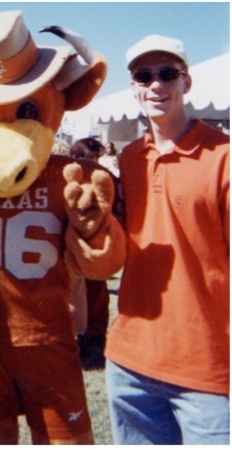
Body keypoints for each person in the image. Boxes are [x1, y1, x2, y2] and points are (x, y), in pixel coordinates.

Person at [105, 35, 230, 444]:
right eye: (145, 75)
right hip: (129, 361)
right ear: (134, 87)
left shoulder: (223, 156)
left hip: (207, 368)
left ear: (186, 83)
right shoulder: (129, 159)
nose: (156, 85)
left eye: (167, 74)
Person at [68, 138, 114, 366]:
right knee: (77, 293)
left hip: (96, 245)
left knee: (96, 294)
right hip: (75, 245)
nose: (95, 162)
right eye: (91, 157)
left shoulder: (103, 177)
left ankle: (93, 340)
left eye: (97, 158)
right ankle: (80, 339)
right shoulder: (70, 178)